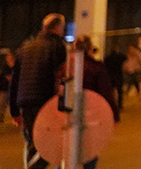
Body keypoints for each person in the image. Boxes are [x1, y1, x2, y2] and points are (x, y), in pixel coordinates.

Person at [8, 13, 68, 169]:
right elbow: (61, 74)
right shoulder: (57, 45)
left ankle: (31, 165)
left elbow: (15, 80)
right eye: (62, 27)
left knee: (32, 143)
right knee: (51, 144)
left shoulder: (26, 47)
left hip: (25, 102)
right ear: (57, 27)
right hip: (45, 101)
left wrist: (14, 111)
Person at [75, 37, 120, 169]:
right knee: (89, 151)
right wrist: (114, 115)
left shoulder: (65, 66)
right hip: (89, 115)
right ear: (89, 50)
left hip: (66, 115)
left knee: (65, 150)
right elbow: (106, 92)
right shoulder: (95, 67)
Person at [0, 48, 13, 125]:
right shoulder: (5, 66)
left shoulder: (8, 66)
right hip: (4, 88)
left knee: (4, 103)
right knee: (2, 103)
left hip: (6, 88)